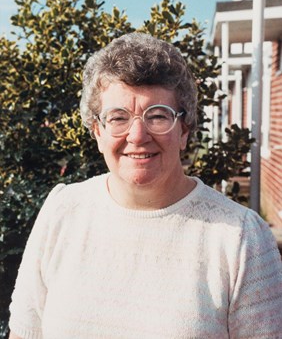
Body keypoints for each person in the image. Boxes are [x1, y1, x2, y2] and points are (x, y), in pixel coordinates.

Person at [9, 33, 282, 339]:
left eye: (157, 116)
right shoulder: (62, 210)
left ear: (185, 130)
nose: (137, 135)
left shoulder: (240, 238)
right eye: (118, 118)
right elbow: (25, 333)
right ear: (98, 131)